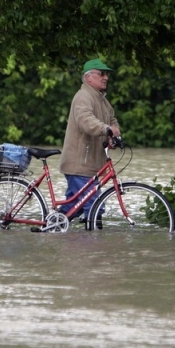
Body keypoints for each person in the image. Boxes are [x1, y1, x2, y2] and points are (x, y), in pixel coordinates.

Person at [59, 58, 120, 226]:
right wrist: (106, 129)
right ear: (88, 77)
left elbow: (113, 120)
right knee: (95, 207)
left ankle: (52, 231)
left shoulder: (103, 101)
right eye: (101, 73)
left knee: (73, 207)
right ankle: (93, 249)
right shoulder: (83, 97)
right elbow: (86, 121)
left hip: (90, 165)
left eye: (107, 74)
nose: (106, 77)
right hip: (80, 164)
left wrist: (113, 135)